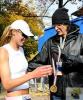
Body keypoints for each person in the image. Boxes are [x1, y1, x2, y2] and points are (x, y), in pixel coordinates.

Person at [27, 8, 83, 100]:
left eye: (59, 25)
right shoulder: (51, 42)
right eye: (55, 25)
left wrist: (71, 59)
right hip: (56, 89)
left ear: (67, 24)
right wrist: (25, 69)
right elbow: (37, 61)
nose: (56, 28)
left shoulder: (81, 39)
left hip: (75, 88)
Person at [0, 19, 52, 100]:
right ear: (13, 32)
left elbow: (22, 75)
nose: (25, 38)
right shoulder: (3, 51)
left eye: (27, 36)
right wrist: (33, 74)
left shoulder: (21, 50)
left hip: (27, 97)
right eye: (23, 35)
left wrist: (40, 72)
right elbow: (6, 84)